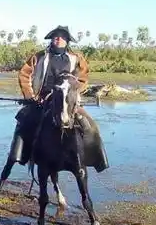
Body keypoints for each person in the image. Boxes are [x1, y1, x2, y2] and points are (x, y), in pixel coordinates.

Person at [9, 24, 109, 171]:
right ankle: (19, 155)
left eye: (62, 37)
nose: (59, 39)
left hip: (67, 102)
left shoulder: (77, 58)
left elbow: (82, 79)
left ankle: (96, 160)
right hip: (41, 100)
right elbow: (24, 75)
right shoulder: (39, 57)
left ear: (67, 40)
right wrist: (31, 96)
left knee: (90, 126)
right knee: (24, 122)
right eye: (56, 36)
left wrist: (73, 94)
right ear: (51, 39)